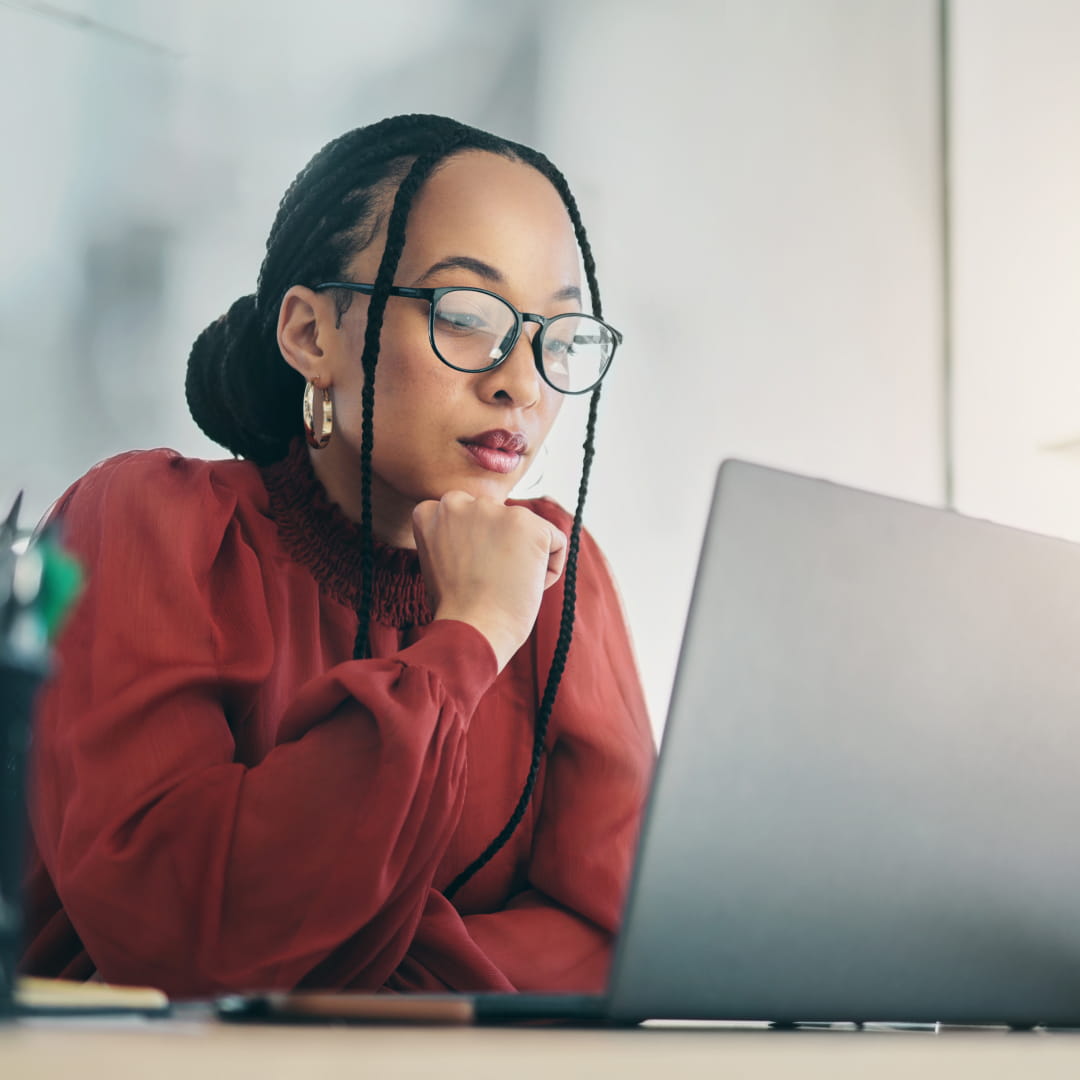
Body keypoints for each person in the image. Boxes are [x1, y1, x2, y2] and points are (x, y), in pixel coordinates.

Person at [20, 114, 655, 999]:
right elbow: (176, 935)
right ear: (313, 337)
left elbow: (618, 941)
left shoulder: (557, 573)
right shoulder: (148, 521)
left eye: (559, 335)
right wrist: (468, 632)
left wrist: (340, 962)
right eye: (466, 317)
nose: (521, 381)